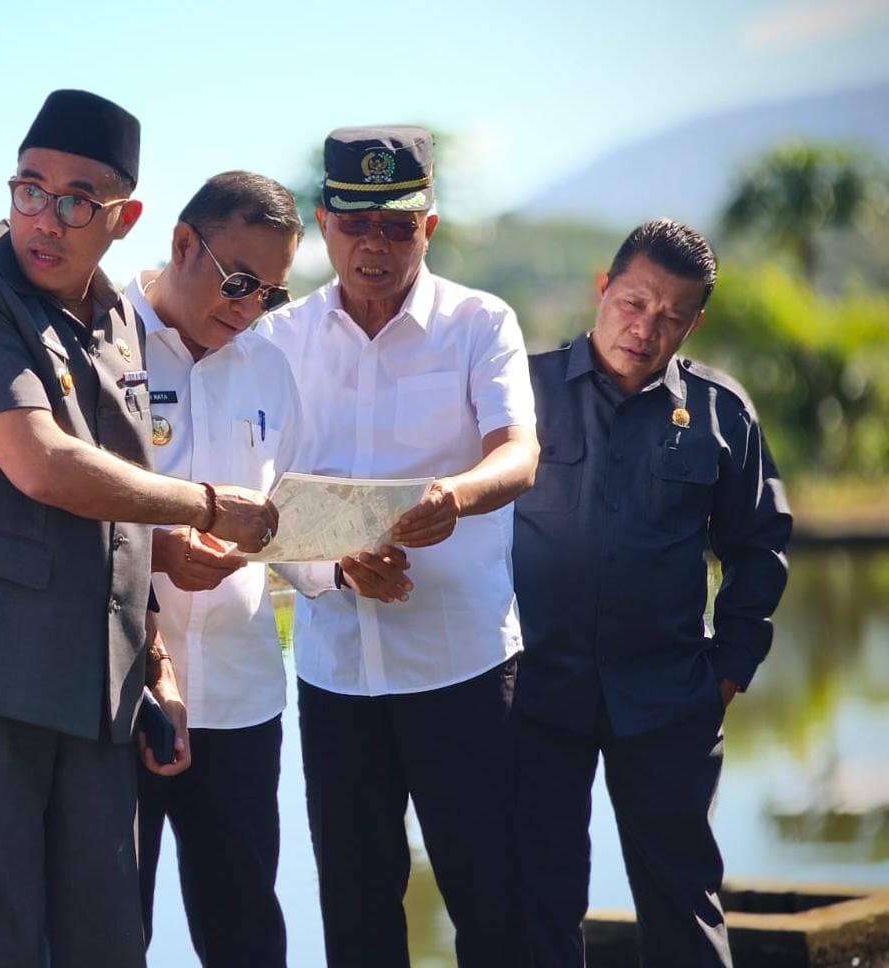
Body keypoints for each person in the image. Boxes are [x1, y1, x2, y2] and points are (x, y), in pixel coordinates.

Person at [0, 88, 278, 968]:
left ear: (124, 217)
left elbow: (120, 508)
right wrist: (207, 506)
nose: (44, 218)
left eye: (75, 201)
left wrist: (160, 664)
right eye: (30, 189)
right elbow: (45, 466)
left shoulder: (120, 322)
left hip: (96, 698)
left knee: (106, 948)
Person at [255, 125, 539, 967]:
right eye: (355, 224)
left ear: (430, 226)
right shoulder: (278, 338)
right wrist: (335, 566)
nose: (374, 245)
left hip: (464, 669)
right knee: (355, 908)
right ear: (322, 223)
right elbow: (261, 498)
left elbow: (519, 452)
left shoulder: (479, 322)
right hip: (336, 671)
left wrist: (455, 496)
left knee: (494, 907)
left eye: (396, 226)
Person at [129, 171, 412, 967]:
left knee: (248, 927)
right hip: (123, 689)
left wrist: (344, 564)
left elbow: (288, 523)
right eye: (240, 282)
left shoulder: (266, 368)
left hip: (244, 691)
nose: (250, 309)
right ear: (184, 243)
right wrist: (160, 546)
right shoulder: (101, 337)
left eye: (272, 295)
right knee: (114, 927)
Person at [513, 219, 793, 967]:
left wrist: (727, 672)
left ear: (694, 321)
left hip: (670, 700)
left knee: (683, 907)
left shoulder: (719, 410)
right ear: (603, 288)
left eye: (671, 317)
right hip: (537, 697)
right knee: (536, 909)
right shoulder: (523, 393)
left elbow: (758, 547)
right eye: (634, 303)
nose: (646, 329)